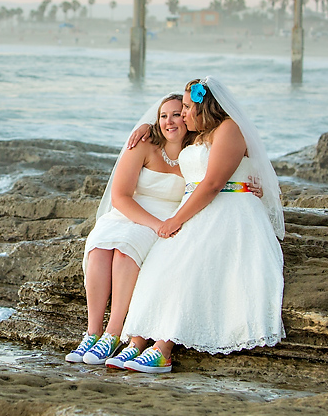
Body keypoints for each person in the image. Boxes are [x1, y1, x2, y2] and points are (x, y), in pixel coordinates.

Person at [66, 93, 262, 367]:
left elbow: (222, 173)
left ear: (188, 116)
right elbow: (120, 196)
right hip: (131, 212)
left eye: (178, 113)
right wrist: (147, 127)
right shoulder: (144, 143)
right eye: (162, 116)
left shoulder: (199, 144)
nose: (170, 120)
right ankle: (92, 332)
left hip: (167, 215)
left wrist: (249, 184)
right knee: (99, 250)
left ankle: (113, 333)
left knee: (125, 255)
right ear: (155, 120)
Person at [119, 76, 285, 373]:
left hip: (230, 211)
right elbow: (168, 135)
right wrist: (147, 128)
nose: (182, 114)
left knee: (191, 264)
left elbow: (212, 184)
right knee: (160, 263)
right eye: (180, 108)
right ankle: (137, 340)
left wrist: (175, 220)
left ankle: (164, 349)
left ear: (202, 105)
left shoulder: (229, 129)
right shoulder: (198, 135)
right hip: (197, 208)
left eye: (185, 107)